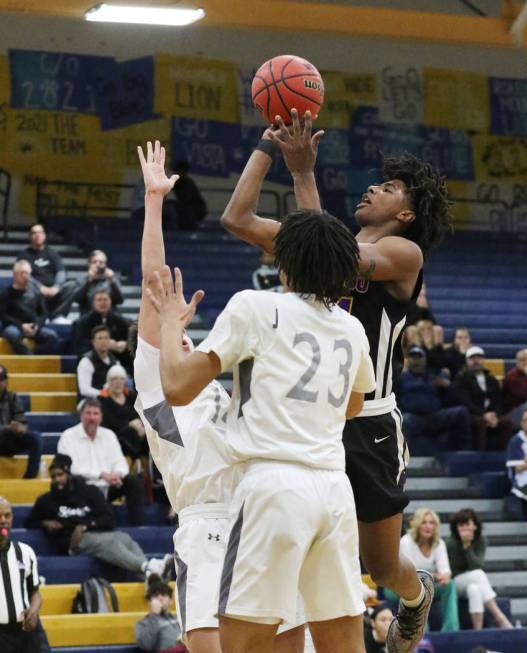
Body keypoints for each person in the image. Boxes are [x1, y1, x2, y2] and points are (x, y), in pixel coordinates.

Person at [220, 109, 453, 653]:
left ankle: (415, 593)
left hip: (369, 421)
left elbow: (329, 259)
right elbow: (236, 219)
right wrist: (267, 146)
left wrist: (304, 173)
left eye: (389, 187)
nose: (373, 187)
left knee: (378, 562)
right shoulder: (330, 239)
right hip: (313, 421)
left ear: (408, 212)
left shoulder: (403, 254)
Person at [149, 163, 377, 652]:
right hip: (335, 491)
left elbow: (176, 388)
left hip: (273, 487)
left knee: (244, 645)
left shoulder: (255, 306)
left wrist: (171, 327)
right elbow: (353, 404)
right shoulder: (349, 327)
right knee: (343, 642)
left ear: (284, 260)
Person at [134, 141, 306, 653]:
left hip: (259, 515)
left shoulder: (218, 389)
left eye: (191, 335)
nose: (188, 336)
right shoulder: (154, 386)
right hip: (206, 522)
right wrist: (154, 200)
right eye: (178, 334)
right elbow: (153, 282)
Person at [26, 454, 170, 578]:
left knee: (124, 538)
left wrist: (85, 526)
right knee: (110, 543)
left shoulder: (89, 491)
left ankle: (149, 575)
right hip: (73, 542)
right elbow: (29, 522)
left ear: (68, 473)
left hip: (96, 533)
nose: (57, 480)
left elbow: (108, 517)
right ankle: (148, 566)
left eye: (60, 475)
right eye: (53, 477)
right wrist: (45, 523)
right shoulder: (46, 500)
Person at [57, 398, 145, 525]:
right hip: (83, 487)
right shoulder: (68, 436)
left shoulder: (109, 435)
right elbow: (68, 468)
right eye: (88, 413)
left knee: (133, 481)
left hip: (109, 485)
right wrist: (101, 475)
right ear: (81, 416)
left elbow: (120, 462)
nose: (92, 418)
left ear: (101, 417)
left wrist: (117, 474)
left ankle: (139, 528)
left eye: (95, 414)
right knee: (77, 481)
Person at [387, 508, 459, 632]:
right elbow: (412, 576)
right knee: (419, 588)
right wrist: (436, 576)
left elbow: (445, 571)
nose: (428, 526)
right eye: (424, 522)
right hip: (398, 588)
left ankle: (451, 629)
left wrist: (445, 576)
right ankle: (423, 633)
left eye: (432, 523)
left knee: (450, 585)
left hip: (426, 585)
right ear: (417, 525)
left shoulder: (439, 543)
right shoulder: (406, 542)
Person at [446, 508, 513, 630]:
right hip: (453, 584)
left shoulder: (481, 540)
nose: (465, 529)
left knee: (475, 589)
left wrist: (467, 546)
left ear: (475, 526)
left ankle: (478, 630)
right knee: (478, 575)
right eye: (461, 525)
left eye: (467, 525)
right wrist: (465, 545)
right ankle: (498, 616)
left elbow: (476, 564)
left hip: (471, 582)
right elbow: (455, 571)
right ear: (456, 528)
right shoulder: (451, 543)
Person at [396, 346, 471, 454]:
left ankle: (463, 454)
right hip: (413, 418)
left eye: (419, 357)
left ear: (425, 360)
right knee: (404, 421)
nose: (416, 360)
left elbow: (452, 398)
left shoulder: (434, 376)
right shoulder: (401, 378)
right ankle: (404, 459)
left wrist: (448, 387)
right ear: (408, 361)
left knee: (461, 412)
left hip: (435, 416)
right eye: (413, 357)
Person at [0, 496, 44, 653]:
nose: (3, 520)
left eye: (7, 515)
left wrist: (33, 610)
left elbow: (35, 592)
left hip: (25, 633)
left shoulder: (25, 552)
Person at [452, 346, 514, 451]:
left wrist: (494, 414)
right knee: (480, 423)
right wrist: (483, 414)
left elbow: (498, 399)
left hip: (491, 413)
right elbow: (465, 401)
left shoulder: (491, 379)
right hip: (473, 413)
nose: (476, 361)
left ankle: (505, 455)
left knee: (506, 422)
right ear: (467, 361)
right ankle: (480, 457)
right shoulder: (461, 379)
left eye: (479, 358)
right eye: (472, 358)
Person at [16, 223, 78, 320]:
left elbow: (61, 272)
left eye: (40, 233)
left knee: (73, 285)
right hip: (35, 290)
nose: (37, 235)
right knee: (27, 286)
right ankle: (38, 317)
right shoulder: (24, 255)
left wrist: (56, 287)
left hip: (53, 289)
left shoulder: (52, 253)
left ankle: (57, 316)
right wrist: (41, 288)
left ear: (44, 236)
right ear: (30, 236)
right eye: (34, 233)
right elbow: (25, 276)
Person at [0, 259, 59, 355]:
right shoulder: (6, 294)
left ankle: (33, 355)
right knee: (12, 334)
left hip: (33, 327)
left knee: (52, 336)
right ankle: (29, 356)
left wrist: (37, 325)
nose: (25, 276)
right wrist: (21, 325)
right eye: (22, 273)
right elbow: (2, 315)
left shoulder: (36, 293)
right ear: (15, 274)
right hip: (14, 326)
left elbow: (44, 313)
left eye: (27, 273)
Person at [0, 364, 43, 478]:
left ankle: (29, 478)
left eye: (2, 379)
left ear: (6, 381)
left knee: (36, 437)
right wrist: (8, 428)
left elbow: (20, 420)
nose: (0, 383)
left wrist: (21, 429)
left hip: (8, 440)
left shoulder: (12, 397)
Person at [100, 364, 147, 461]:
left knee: (152, 433)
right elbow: (107, 421)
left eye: (121, 379)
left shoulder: (131, 397)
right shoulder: (102, 400)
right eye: (114, 379)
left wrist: (142, 426)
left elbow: (141, 414)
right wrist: (130, 424)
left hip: (137, 433)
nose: (118, 382)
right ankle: (136, 463)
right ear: (108, 381)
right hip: (115, 436)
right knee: (130, 432)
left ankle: (151, 469)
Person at [73, 290, 130, 360]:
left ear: (110, 301)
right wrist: (102, 345)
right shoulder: (83, 322)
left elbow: (129, 341)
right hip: (92, 361)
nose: (103, 302)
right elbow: (81, 347)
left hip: (118, 360)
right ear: (93, 303)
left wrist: (123, 345)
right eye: (99, 300)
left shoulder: (121, 321)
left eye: (105, 299)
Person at [135, 575, 185, 653]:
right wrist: (155, 615)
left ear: (171, 600)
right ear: (149, 602)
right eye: (155, 596)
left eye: (164, 595)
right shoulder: (143, 623)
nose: (160, 598)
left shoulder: (179, 618)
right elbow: (146, 646)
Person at [74, 249, 124, 316]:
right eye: (94, 262)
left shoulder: (112, 279)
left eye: (101, 262)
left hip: (109, 318)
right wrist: (88, 281)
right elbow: (77, 299)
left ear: (105, 265)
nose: (97, 265)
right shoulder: (82, 279)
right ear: (89, 264)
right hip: (87, 318)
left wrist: (112, 281)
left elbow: (120, 300)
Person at [76, 325, 119, 401]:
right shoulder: (86, 361)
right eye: (100, 338)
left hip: (108, 399)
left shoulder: (114, 361)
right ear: (93, 342)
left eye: (106, 338)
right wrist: (103, 394)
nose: (103, 341)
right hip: (89, 401)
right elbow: (84, 389)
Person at [505, 409, 527, 520]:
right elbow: (518, 468)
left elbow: (526, 464)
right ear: (522, 423)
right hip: (523, 480)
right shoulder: (516, 441)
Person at [171, 160, 207, 231]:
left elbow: (185, 200)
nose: (176, 174)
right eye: (175, 172)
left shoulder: (188, 184)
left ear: (184, 173)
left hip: (195, 210)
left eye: (178, 172)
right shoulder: (175, 184)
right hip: (187, 210)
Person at [503, 348, 527, 429]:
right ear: (517, 362)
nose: (526, 363)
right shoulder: (511, 377)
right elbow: (524, 396)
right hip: (513, 413)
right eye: (522, 360)